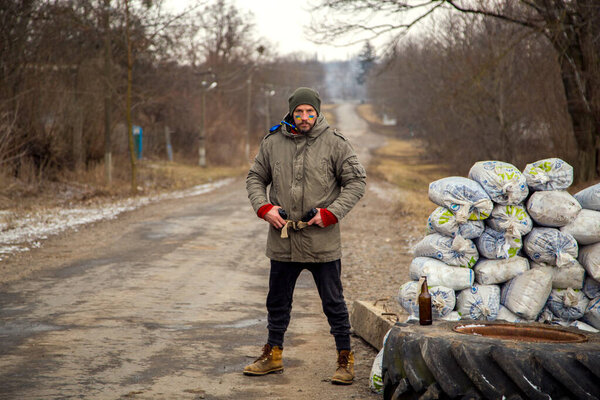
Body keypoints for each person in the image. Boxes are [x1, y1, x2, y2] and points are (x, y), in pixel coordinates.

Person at [244, 87, 366, 385]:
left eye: (310, 111)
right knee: (277, 301)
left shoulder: (335, 143)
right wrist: (264, 208)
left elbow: (356, 182)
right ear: (291, 112)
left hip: (321, 241)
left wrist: (331, 213)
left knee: (333, 302)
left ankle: (345, 360)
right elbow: (255, 178)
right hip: (283, 240)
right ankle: (273, 356)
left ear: (318, 112)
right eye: (299, 111)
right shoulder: (273, 142)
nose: (304, 117)